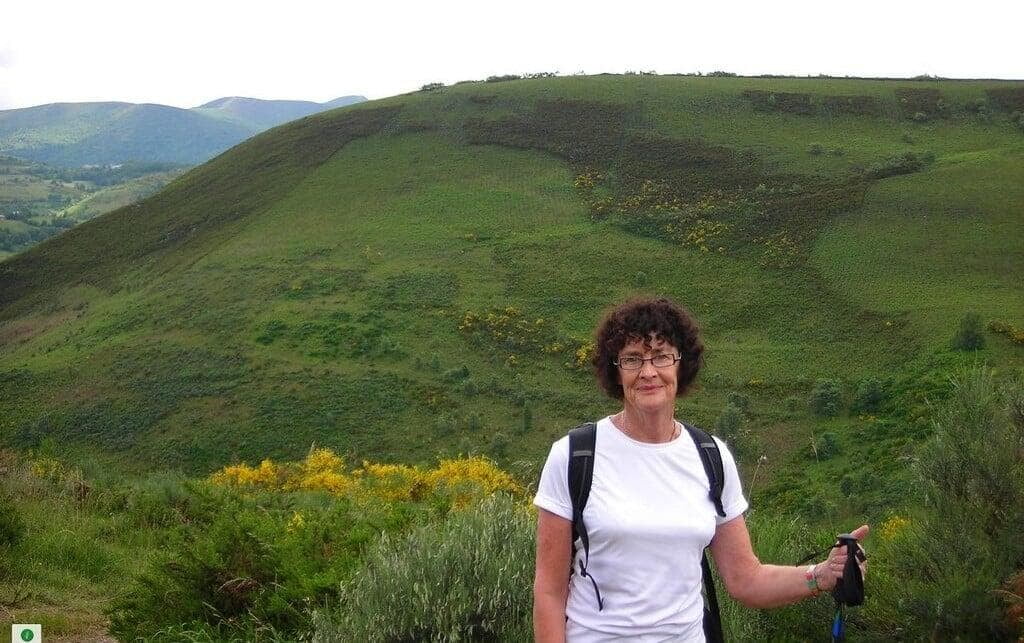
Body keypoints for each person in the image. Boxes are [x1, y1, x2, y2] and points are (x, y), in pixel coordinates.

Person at [533, 296, 868, 642]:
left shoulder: (711, 456)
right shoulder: (574, 456)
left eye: (661, 356)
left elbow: (745, 579)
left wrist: (822, 575)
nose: (648, 372)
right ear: (615, 371)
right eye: (632, 359)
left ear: (681, 364)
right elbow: (549, 591)